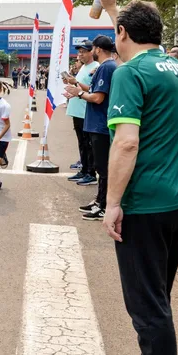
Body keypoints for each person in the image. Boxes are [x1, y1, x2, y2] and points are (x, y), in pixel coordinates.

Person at [99, 0, 178, 355]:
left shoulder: (130, 74)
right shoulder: (176, 69)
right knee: (158, 297)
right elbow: (133, 37)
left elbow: (125, 144)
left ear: (122, 34)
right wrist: (113, 10)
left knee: (147, 308)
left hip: (145, 204)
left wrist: (112, 204)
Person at [65, 35, 118, 220]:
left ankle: (103, 206)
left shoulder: (106, 67)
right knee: (100, 166)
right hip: (98, 124)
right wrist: (78, 89)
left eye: (92, 48)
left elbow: (97, 97)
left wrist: (78, 93)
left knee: (103, 168)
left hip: (101, 125)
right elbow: (93, 91)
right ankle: (99, 201)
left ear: (98, 49)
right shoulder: (107, 67)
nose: (90, 51)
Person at [62, 41, 99, 186]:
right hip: (77, 112)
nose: (80, 54)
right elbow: (80, 89)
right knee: (82, 143)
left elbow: (92, 89)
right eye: (79, 52)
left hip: (86, 112)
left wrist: (75, 82)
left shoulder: (96, 67)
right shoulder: (84, 67)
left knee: (88, 144)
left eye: (83, 51)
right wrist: (72, 89)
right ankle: (84, 170)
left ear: (92, 52)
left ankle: (91, 173)